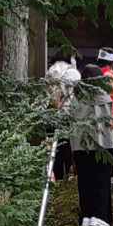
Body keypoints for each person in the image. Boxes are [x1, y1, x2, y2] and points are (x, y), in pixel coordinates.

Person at [69, 65, 113, 226]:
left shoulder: (76, 98)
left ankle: (86, 216)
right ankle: (100, 215)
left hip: (80, 146)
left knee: (84, 181)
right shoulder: (104, 97)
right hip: (102, 144)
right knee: (100, 181)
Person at [46, 51, 81, 180]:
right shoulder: (73, 72)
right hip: (68, 116)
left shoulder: (50, 71)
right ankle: (69, 181)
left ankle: (57, 178)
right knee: (69, 151)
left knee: (56, 153)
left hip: (51, 115)